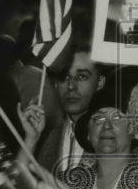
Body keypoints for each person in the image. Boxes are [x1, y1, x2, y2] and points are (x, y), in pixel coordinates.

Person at [35, 47, 107, 175]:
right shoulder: (48, 137)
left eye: (82, 76)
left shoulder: (115, 135)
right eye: (64, 77)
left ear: (100, 82)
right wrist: (31, 140)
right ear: (56, 83)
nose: (71, 86)